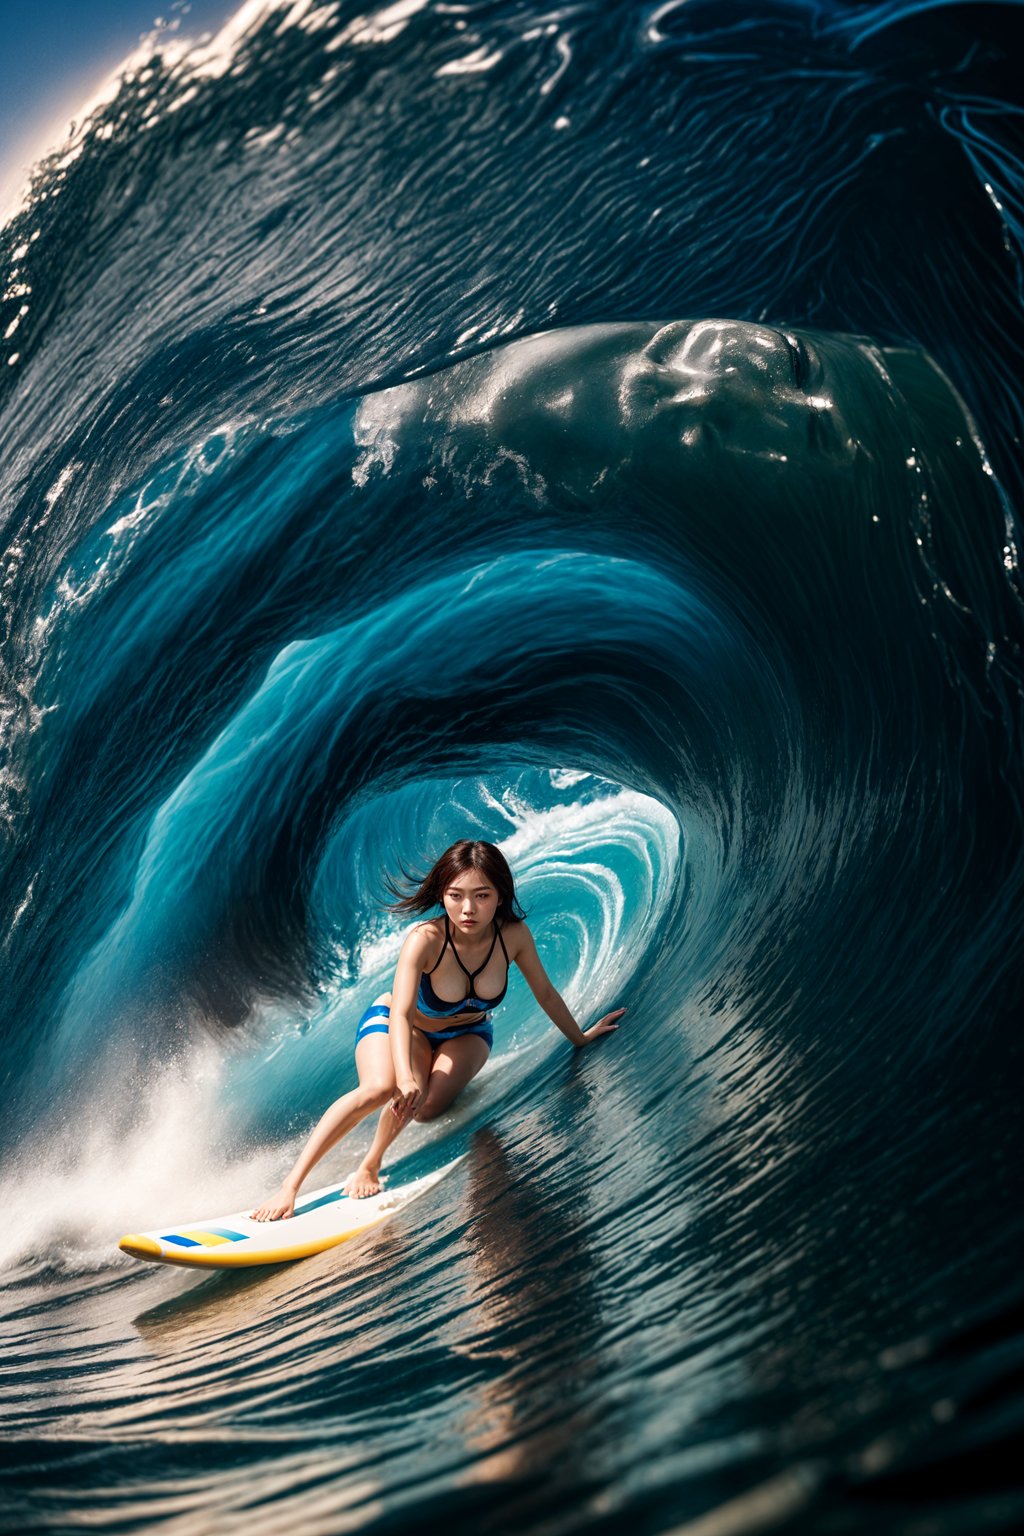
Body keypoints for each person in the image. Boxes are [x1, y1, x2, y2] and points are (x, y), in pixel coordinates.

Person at [251, 839, 626, 1219]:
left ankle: (422, 1086)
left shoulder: (512, 936)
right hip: (402, 1025)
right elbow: (400, 1013)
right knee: (383, 1089)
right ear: (442, 895)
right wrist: (406, 1077)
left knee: (427, 1109)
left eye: (481, 895)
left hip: (468, 1034)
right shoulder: (425, 940)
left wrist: (580, 1037)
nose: (468, 908)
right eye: (455, 895)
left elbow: (545, 993)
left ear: (500, 896)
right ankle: (326, 1175)